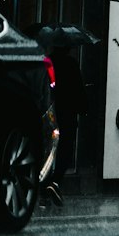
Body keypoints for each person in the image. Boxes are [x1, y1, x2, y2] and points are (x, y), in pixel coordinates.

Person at [44, 48, 87, 207]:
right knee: (66, 148)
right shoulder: (71, 64)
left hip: (49, 112)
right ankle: (55, 182)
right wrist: (83, 108)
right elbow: (78, 88)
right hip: (67, 113)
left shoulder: (47, 63)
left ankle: (45, 184)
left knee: (48, 149)